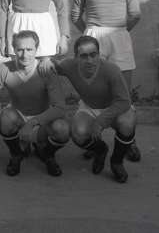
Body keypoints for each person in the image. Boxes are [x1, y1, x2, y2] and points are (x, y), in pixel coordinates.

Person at [71, 0, 141, 161]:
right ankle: (94, 140)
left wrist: (119, 32)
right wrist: (89, 34)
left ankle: (129, 140)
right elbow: (75, 15)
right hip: (93, 35)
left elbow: (135, 15)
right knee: (94, 88)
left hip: (120, 35)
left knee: (124, 92)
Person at [40, 35, 137, 183]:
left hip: (114, 106)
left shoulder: (111, 70)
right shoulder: (69, 65)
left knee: (127, 122)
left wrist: (100, 122)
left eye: (93, 55)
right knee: (78, 133)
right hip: (89, 107)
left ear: (99, 54)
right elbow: (54, 67)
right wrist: (47, 60)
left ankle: (116, 162)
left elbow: (124, 101)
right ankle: (100, 150)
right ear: (76, 57)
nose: (89, 60)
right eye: (84, 56)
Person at [0, 30, 69, 176]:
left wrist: (33, 123)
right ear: (13, 49)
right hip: (18, 118)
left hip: (41, 120)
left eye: (29, 49)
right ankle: (16, 154)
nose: (25, 54)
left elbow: (60, 108)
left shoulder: (45, 69)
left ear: (36, 49)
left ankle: (47, 154)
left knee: (62, 129)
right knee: (5, 117)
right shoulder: (4, 69)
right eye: (20, 49)